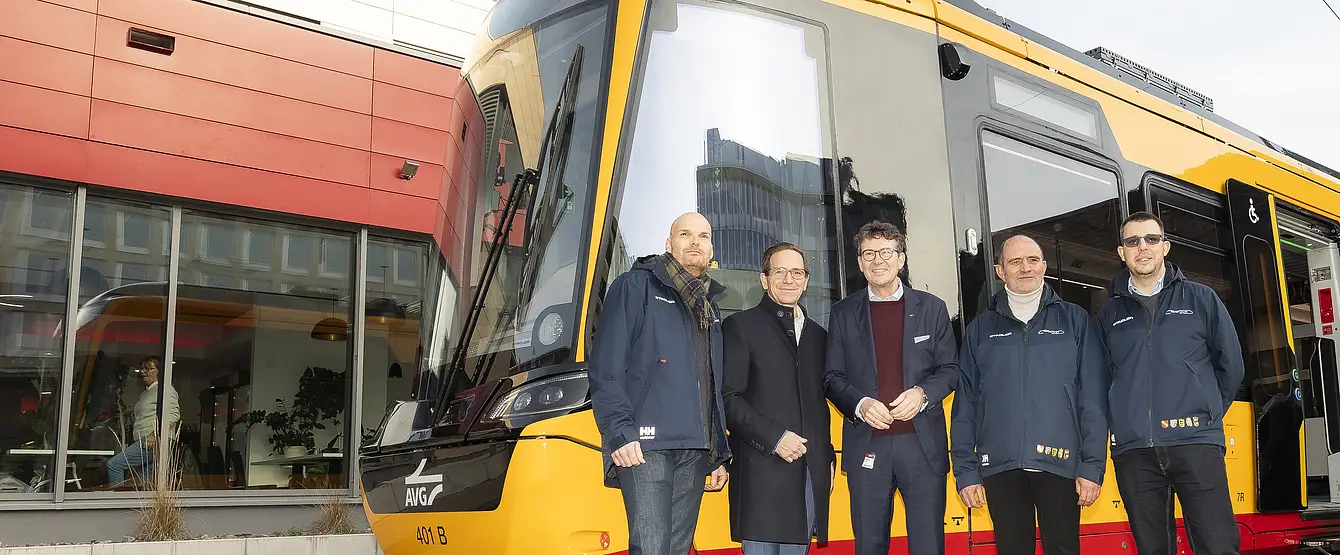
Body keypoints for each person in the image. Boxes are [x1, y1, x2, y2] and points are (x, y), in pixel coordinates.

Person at [1097, 211, 1245, 555]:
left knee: (1217, 546)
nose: (1142, 247)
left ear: (1165, 247)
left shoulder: (1201, 299)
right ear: (1122, 253)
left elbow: (1231, 366)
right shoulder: (1108, 314)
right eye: (1132, 241)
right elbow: (1103, 379)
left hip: (1195, 442)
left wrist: (1206, 412)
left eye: (1151, 239)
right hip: (1134, 452)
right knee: (1152, 549)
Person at [950, 235, 1108, 555]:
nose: (1025, 268)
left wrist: (1091, 467)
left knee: (1063, 548)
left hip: (1060, 465)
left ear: (1044, 267)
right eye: (1015, 262)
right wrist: (966, 471)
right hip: (1000, 467)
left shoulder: (1075, 321)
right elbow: (966, 405)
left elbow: (1092, 399)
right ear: (1000, 271)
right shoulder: (980, 330)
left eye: (1033, 260)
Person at [589, 212, 732, 555]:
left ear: (711, 249)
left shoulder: (709, 308)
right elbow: (606, 366)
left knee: (677, 549)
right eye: (686, 235)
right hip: (644, 447)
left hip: (695, 450)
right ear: (670, 244)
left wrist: (717, 453)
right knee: (651, 547)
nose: (695, 242)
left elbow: (711, 383)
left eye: (703, 236)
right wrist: (619, 432)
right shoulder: (635, 286)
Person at [823, 221, 959, 555]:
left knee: (929, 545)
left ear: (901, 259)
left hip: (922, 448)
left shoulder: (932, 308)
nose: (877, 260)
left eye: (886, 251)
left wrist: (922, 394)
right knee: (869, 545)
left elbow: (952, 370)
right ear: (860, 262)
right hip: (868, 447)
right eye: (868, 253)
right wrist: (861, 404)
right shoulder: (842, 313)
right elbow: (832, 377)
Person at [721, 242, 834, 555]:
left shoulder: (818, 336)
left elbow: (819, 404)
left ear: (806, 280)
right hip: (761, 473)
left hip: (808, 474)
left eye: (796, 272)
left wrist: (828, 458)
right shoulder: (740, 327)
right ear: (764, 279)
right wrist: (775, 438)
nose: (789, 279)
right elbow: (728, 400)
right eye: (780, 272)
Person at [107, 355, 180, 488]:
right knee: (144, 485)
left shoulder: (166, 389)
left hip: (154, 442)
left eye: (148, 369)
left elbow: (173, 414)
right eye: (142, 369)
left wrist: (154, 435)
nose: (143, 372)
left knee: (114, 465)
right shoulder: (147, 392)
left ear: (160, 371)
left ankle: (115, 504)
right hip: (145, 441)